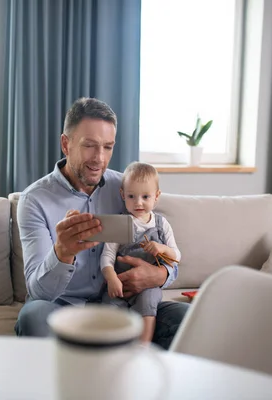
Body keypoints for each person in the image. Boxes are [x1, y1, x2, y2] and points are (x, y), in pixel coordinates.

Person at [14, 97, 189, 350]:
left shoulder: (127, 190)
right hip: (62, 307)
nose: (99, 158)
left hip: (123, 305)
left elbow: (167, 250)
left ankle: (140, 383)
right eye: (90, 146)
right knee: (33, 317)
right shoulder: (35, 200)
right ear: (66, 144)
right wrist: (62, 253)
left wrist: (159, 275)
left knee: (186, 320)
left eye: (107, 147)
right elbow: (39, 292)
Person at [100, 162, 181, 343]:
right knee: (110, 307)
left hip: (147, 286)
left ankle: (143, 346)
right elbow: (107, 256)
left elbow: (177, 256)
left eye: (145, 196)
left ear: (156, 196)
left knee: (149, 299)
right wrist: (111, 277)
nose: (138, 202)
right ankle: (113, 345)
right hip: (120, 284)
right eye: (131, 196)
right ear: (123, 195)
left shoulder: (161, 224)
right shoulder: (120, 223)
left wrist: (162, 249)